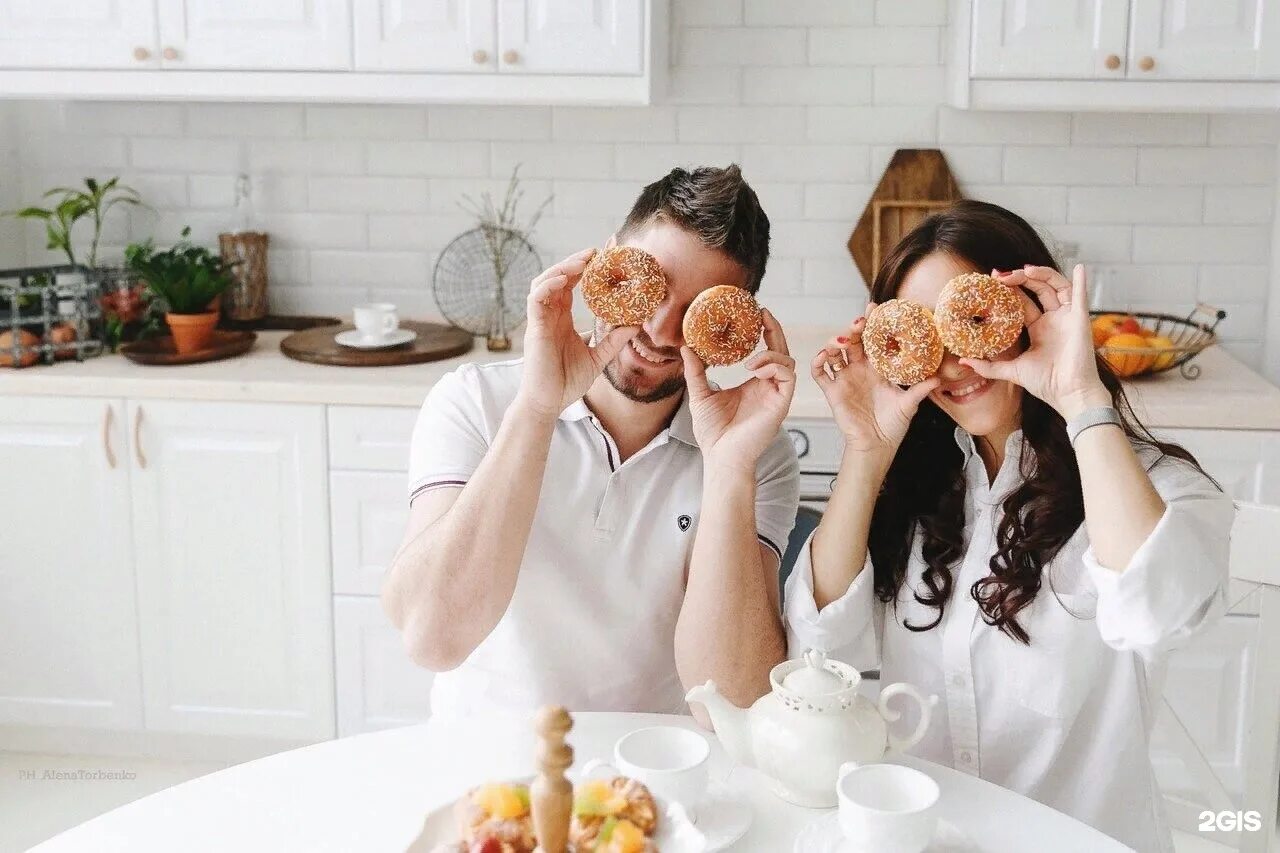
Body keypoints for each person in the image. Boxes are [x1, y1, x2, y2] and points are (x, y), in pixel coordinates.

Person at [785, 200, 1233, 853]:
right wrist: (867, 448)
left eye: (973, 322)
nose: (955, 362)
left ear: (1032, 315)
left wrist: (1080, 395)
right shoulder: (919, 487)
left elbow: (1157, 612)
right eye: (930, 335)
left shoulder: (1149, 485)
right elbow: (820, 650)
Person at [384, 165, 800, 721]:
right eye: (649, 285)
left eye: (696, 311)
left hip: (660, 769)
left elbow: (737, 702)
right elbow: (432, 640)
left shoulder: (754, 454)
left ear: (735, 324)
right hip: (490, 763)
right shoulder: (475, 400)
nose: (660, 332)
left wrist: (726, 468)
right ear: (606, 263)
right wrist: (537, 407)